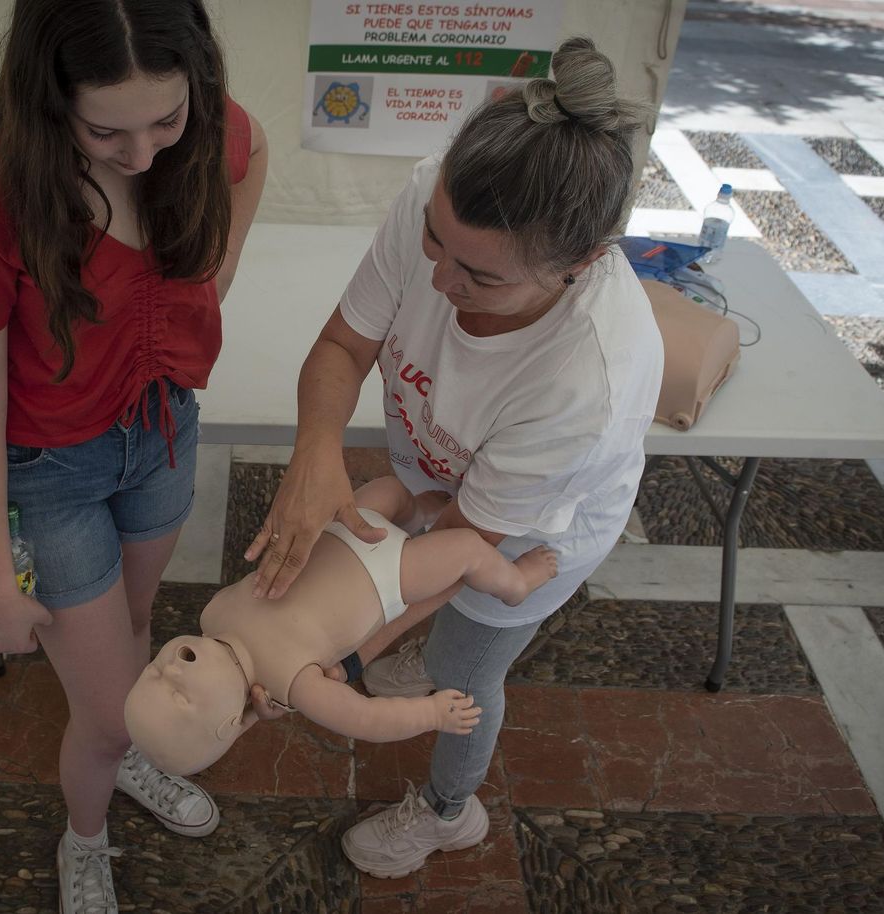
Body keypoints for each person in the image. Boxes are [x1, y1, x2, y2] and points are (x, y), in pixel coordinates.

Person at [243, 37, 662, 881]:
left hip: (516, 538)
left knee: (465, 668)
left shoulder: (585, 381)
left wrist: (334, 661)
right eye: (434, 241)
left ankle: (448, 810)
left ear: (582, 264)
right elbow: (339, 344)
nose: (438, 281)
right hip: (439, 473)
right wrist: (312, 453)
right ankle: (406, 661)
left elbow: (456, 554)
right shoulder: (440, 198)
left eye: (479, 277)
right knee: (390, 579)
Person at [0, 2, 266, 911]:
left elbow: (251, 146)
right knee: (110, 714)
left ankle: (129, 760)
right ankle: (86, 836)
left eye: (168, 120)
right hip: (52, 468)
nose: (145, 155)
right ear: (49, 97)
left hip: (159, 435)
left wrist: (219, 265)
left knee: (139, 636)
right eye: (106, 130)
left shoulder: (201, 133)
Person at [124, 476, 557, 776]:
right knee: (466, 548)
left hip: (341, 534)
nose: (172, 668)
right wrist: (428, 713)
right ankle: (515, 583)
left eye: (154, 670)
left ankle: (417, 513)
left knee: (389, 490)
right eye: (179, 692)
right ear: (225, 723)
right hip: (390, 574)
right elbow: (365, 718)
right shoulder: (292, 684)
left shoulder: (212, 618)